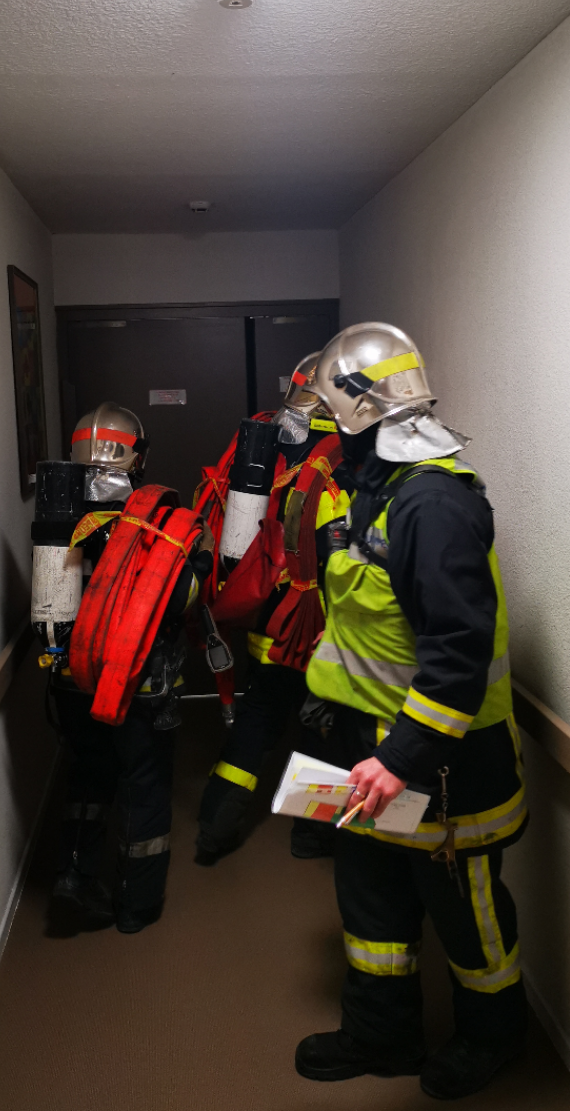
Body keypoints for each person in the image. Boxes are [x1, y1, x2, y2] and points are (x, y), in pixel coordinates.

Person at [293, 323, 528, 1101]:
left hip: (439, 769)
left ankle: (493, 1038)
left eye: (331, 417)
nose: (325, 435)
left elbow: (458, 655)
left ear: (361, 414)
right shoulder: (376, 489)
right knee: (371, 905)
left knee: (467, 918)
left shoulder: (434, 504)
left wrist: (400, 760)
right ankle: (381, 1034)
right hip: (363, 754)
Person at [42, 403, 211, 935]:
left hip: (72, 678)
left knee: (87, 776)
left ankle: (74, 877)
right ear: (137, 456)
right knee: (145, 784)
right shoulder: (154, 518)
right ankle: (136, 905)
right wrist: (201, 562)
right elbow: (182, 599)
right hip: (140, 682)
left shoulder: (60, 513)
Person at [195, 355, 351, 863]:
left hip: (265, 622)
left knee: (256, 721)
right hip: (314, 631)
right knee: (319, 728)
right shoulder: (343, 461)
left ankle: (213, 831)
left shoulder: (270, 449)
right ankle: (311, 836)